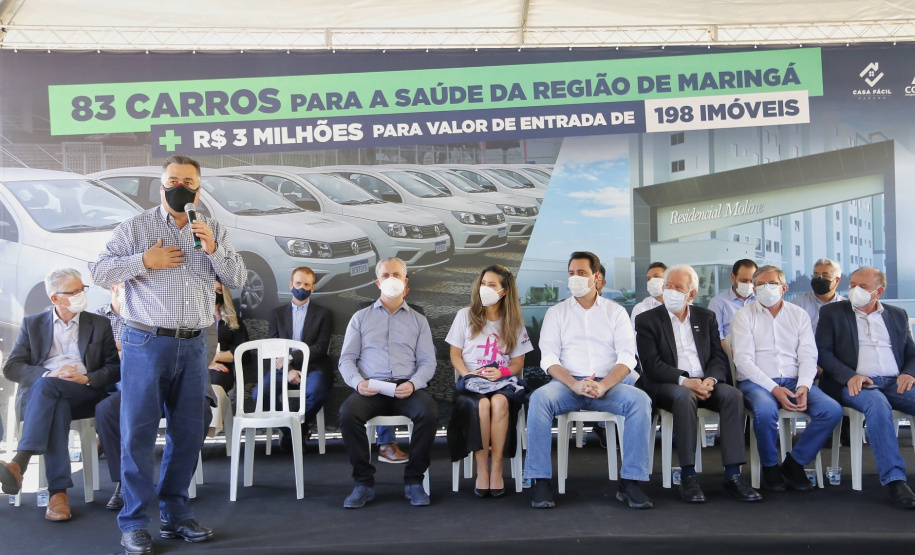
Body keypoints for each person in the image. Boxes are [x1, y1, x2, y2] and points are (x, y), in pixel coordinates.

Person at [92, 154, 246, 555]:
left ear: (199, 189)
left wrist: (214, 250)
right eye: (173, 180)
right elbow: (99, 272)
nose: (180, 187)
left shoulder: (212, 228)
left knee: (189, 433)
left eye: (188, 182)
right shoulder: (135, 228)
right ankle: (134, 523)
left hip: (195, 344)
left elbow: (237, 278)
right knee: (139, 434)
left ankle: (176, 515)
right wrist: (144, 261)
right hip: (146, 341)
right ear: (161, 186)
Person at [524, 251, 653, 510]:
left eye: (581, 273)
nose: (575, 278)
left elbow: (627, 357)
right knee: (539, 398)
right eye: (571, 273)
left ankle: (631, 482)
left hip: (608, 386)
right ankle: (540, 480)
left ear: (597, 276)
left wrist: (604, 385)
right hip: (567, 386)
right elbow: (548, 358)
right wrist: (574, 384)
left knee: (640, 401)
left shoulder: (616, 312)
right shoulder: (556, 313)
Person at [0, 268, 120, 521]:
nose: (81, 295)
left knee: (49, 390)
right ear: (55, 298)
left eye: (82, 289)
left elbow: (114, 368)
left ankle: (21, 461)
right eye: (73, 292)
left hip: (85, 392)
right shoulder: (33, 324)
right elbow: (12, 367)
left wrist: (87, 377)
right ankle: (57, 495)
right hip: (44, 398)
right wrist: (48, 374)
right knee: (54, 399)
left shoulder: (99, 324)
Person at [635, 264, 760, 503]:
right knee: (685, 397)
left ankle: (733, 474)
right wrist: (686, 381)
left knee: (733, 395)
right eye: (668, 285)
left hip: (704, 381)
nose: (670, 290)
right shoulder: (647, 320)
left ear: (691, 293)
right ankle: (688, 475)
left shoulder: (706, 317)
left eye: (678, 287)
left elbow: (717, 357)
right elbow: (652, 364)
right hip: (668, 383)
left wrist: (710, 381)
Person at [94, 282, 215, 512]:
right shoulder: (104, 319)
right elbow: (102, 359)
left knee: (199, 413)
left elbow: (204, 354)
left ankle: (175, 495)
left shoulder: (199, 314)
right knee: (108, 409)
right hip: (132, 384)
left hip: (185, 381)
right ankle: (125, 486)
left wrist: (130, 350)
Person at [731, 265, 842, 493]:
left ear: (783, 288)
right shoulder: (744, 315)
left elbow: (808, 356)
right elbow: (743, 361)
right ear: (754, 289)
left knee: (831, 410)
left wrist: (804, 385)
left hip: (794, 380)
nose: (766, 288)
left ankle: (795, 463)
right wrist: (774, 388)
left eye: (771, 284)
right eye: (760, 284)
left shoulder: (798, 314)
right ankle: (770, 466)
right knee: (765, 412)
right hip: (757, 382)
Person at [337, 257, 438, 508]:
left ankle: (414, 481)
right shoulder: (360, 318)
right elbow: (346, 359)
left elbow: (428, 362)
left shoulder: (419, 320)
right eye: (385, 275)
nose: (391, 279)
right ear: (377, 282)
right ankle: (363, 483)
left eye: (396, 275)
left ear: (405, 282)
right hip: (371, 387)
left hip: (407, 387)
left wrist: (413, 383)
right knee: (348, 413)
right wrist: (358, 383)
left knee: (429, 412)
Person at [816, 267, 915, 509]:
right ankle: (895, 480)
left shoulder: (897, 314)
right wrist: (849, 375)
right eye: (852, 285)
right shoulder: (832, 312)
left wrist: (909, 373)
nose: (854, 290)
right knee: (877, 405)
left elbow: (911, 353)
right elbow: (823, 353)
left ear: (878, 292)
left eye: (862, 287)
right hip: (854, 383)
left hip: (895, 382)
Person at [446, 265, 532, 497]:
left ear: (504, 291)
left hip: (502, 382)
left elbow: (518, 363)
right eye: (483, 283)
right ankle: (482, 469)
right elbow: (455, 355)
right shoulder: (464, 315)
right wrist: (468, 375)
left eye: (492, 285)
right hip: (471, 383)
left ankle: (497, 469)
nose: (485, 288)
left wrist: (502, 372)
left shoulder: (514, 322)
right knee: (483, 405)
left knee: (499, 402)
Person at [264, 266, 333, 452]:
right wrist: (288, 370)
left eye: (306, 285)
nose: (301, 288)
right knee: (260, 394)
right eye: (298, 283)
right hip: (283, 368)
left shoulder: (324, 314)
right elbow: (273, 346)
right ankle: (292, 430)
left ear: (313, 287)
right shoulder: (277, 314)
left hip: (314, 367)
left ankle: (296, 430)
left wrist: (291, 358)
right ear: (290, 285)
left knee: (317, 392)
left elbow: (320, 347)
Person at [207, 281, 250, 395]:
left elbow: (242, 351)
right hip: (196, 366)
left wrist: (215, 357)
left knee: (213, 389)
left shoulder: (232, 320)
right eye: (211, 289)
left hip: (221, 367)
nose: (214, 293)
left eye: (218, 290)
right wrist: (207, 362)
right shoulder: (194, 319)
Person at [708, 259, 758, 343]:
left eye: (752, 281)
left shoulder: (760, 300)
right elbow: (716, 335)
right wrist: (730, 350)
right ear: (733, 277)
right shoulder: (718, 302)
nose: (749, 284)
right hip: (730, 348)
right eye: (744, 280)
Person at [790, 258, 845, 333]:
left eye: (825, 275)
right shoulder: (798, 304)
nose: (819, 278)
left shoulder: (845, 306)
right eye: (816, 275)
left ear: (837, 280)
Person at [630, 262, 668, 326]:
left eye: (656, 276)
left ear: (668, 278)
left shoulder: (678, 304)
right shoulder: (641, 309)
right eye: (648, 279)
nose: (652, 281)